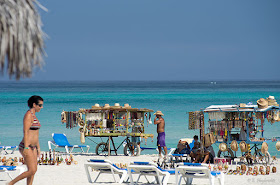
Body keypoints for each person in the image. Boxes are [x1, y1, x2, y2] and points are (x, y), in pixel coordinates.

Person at [8, 95, 44, 185]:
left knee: (32, 172)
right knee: (32, 170)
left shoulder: (34, 116)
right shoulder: (28, 115)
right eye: (40, 105)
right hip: (26, 146)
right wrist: (26, 147)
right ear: (34, 104)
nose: (41, 107)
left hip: (34, 147)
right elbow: (26, 131)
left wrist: (38, 148)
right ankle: (11, 183)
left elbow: (36, 134)